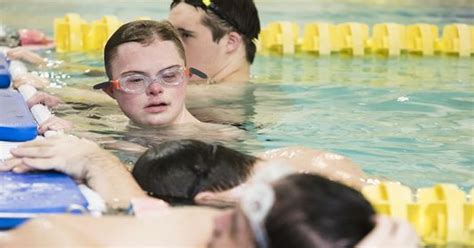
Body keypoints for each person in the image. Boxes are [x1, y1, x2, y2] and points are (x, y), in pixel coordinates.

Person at [92, 19, 207, 127]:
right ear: (111, 91)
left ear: (186, 78)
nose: (155, 89)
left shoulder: (216, 143)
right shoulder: (99, 136)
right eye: (136, 80)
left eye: (169, 76)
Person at [169, 0, 261, 84]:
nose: (169, 45)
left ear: (230, 42)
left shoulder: (200, 98)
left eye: (185, 35)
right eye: (170, 34)